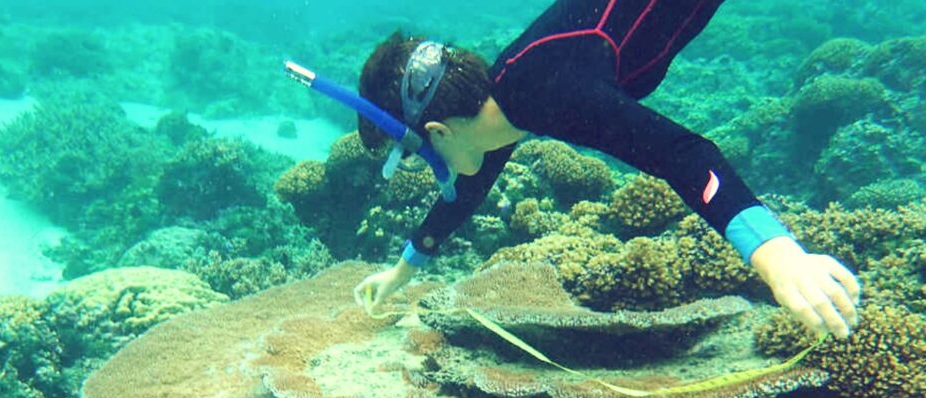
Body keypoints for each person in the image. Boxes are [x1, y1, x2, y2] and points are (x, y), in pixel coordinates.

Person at [351, 0, 860, 338]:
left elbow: (684, 155)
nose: (426, 170)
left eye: (416, 158)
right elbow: (465, 191)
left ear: (438, 133)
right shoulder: (512, 95)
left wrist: (776, 253)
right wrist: (402, 272)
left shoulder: (551, 95)